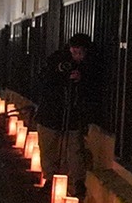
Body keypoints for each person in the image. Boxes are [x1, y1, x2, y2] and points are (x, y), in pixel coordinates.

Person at [38, 32, 94, 184]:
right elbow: (45, 80)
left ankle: (77, 182)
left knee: (74, 149)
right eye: (73, 52)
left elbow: (93, 88)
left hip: (73, 115)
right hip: (50, 112)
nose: (76, 56)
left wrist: (81, 79)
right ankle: (50, 180)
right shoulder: (56, 60)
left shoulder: (90, 66)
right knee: (49, 148)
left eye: (80, 53)